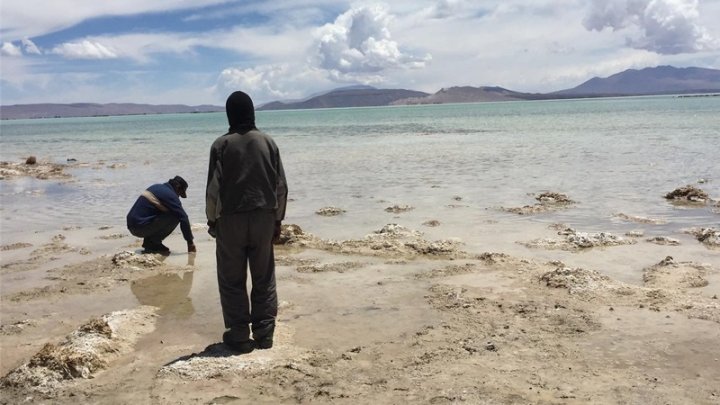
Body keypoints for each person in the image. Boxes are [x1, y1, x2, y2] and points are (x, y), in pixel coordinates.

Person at [206, 91, 287, 353]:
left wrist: (211, 220)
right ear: (252, 112)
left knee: (231, 279)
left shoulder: (221, 145)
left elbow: (213, 189)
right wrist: (278, 220)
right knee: (264, 276)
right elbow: (281, 187)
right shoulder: (268, 142)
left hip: (231, 219)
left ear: (230, 114)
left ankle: (239, 335)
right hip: (264, 216)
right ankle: (265, 334)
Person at [127, 176, 196, 255]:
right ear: (178, 187)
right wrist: (190, 242)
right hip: (140, 228)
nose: (178, 197)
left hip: (132, 225)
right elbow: (184, 218)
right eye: (180, 194)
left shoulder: (157, 187)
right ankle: (153, 243)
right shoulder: (170, 195)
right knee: (176, 215)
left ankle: (150, 242)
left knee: (169, 212)